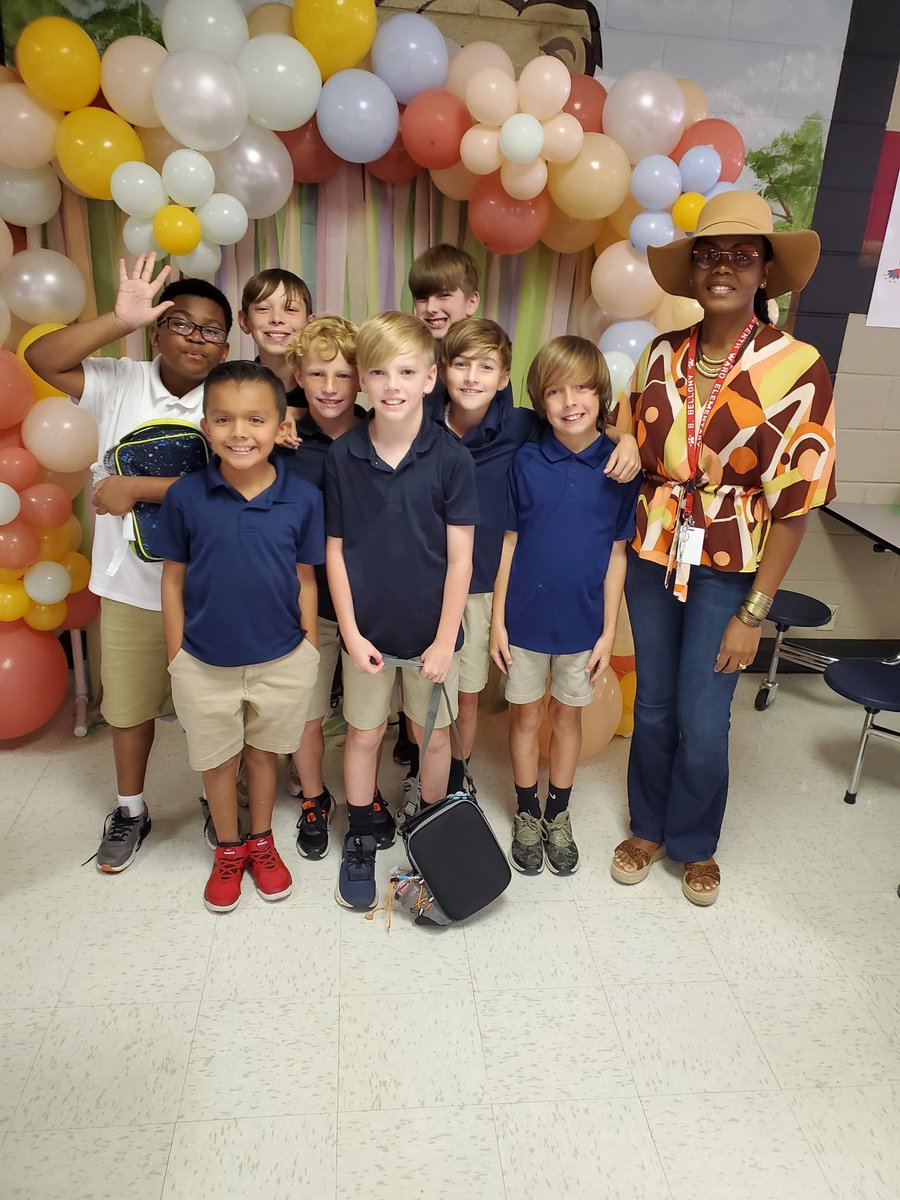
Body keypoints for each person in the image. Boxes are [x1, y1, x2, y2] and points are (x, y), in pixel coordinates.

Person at [609, 190, 836, 906]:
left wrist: (756, 609)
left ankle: (695, 843)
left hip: (731, 570)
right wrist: (620, 435)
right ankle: (647, 825)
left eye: (742, 255)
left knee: (704, 716)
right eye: (710, 253)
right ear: (693, 268)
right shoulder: (659, 353)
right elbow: (630, 433)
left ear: (766, 272)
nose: (724, 267)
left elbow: (796, 504)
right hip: (652, 558)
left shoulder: (797, 366)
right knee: (652, 707)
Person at [24, 253, 231, 874]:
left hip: (212, 589)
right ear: (157, 331)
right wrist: (118, 317)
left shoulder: (231, 397)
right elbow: (41, 359)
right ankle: (131, 807)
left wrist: (139, 488)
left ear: (227, 345)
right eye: (181, 323)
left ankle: (215, 803)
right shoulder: (118, 380)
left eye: (211, 329)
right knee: (130, 708)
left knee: (212, 708)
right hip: (132, 587)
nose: (196, 337)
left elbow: (236, 483)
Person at [157, 361, 323, 912]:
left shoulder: (301, 497)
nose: (239, 432)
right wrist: (177, 652)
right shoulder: (185, 496)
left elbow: (305, 576)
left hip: (280, 657)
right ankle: (228, 849)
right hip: (203, 661)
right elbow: (174, 576)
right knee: (218, 761)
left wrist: (307, 646)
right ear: (206, 426)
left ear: (280, 427)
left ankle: (262, 841)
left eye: (255, 419)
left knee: (263, 755)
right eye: (224, 419)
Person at [325, 311, 478, 911]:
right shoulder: (343, 456)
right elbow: (335, 552)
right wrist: (352, 631)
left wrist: (444, 641)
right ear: (361, 381)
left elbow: (461, 560)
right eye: (379, 371)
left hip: (432, 635)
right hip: (368, 634)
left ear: (429, 378)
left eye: (406, 371)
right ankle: (361, 833)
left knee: (431, 739)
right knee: (363, 736)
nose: (392, 384)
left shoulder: (451, 458)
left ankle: (428, 837)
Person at [491, 337, 640, 876]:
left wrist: (607, 632)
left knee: (567, 718)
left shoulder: (620, 467)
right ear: (539, 400)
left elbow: (618, 557)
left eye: (581, 388)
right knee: (526, 715)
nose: (569, 400)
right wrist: (497, 625)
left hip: (583, 627)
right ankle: (527, 812)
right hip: (525, 622)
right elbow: (508, 543)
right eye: (554, 391)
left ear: (601, 395)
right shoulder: (527, 461)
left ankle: (559, 812)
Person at [278, 316, 393, 859]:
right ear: (297, 375)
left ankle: (365, 800)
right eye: (317, 374)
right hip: (302, 604)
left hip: (371, 603)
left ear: (363, 381)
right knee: (308, 710)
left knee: (367, 717)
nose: (329, 387)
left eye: (343, 375)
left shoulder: (382, 434)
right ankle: (315, 798)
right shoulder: (283, 442)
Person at [239, 267, 312, 434]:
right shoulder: (237, 385)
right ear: (244, 321)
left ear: (310, 323)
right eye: (263, 308)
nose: (277, 319)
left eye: (291, 309)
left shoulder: (321, 385)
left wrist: (294, 412)